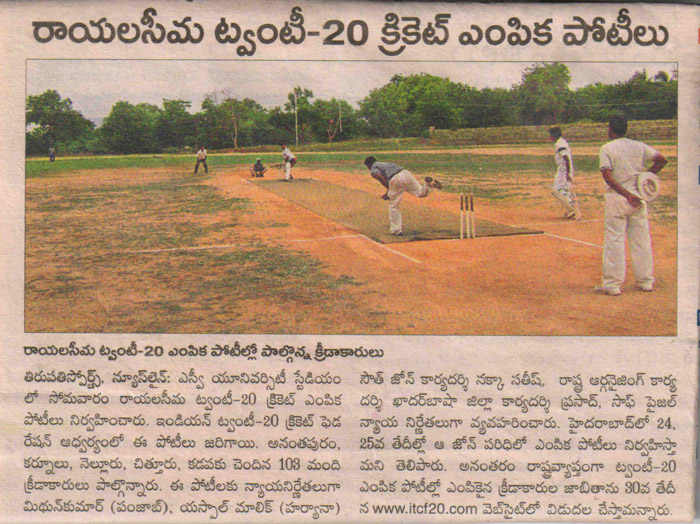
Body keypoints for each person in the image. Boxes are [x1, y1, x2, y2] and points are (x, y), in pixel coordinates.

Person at [595, 115, 667, 295]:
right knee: (641, 241)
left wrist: (627, 194)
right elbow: (661, 159)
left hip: (618, 198)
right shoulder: (639, 146)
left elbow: (608, 177)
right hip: (638, 198)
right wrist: (644, 178)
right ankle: (646, 281)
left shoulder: (607, 148)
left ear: (610, 129)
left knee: (614, 241)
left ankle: (612, 285)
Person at [364, 156, 442, 236]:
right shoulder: (386, 164)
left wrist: (388, 191)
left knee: (393, 206)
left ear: (368, 165)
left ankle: (396, 230)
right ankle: (428, 184)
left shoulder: (373, 168)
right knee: (420, 193)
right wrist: (389, 191)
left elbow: (379, 176)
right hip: (405, 173)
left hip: (395, 179)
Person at [548, 127, 580, 220]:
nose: (550, 137)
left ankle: (571, 209)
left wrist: (568, 173)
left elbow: (566, 159)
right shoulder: (560, 142)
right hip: (563, 169)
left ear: (554, 135)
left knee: (558, 190)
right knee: (563, 189)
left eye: (550, 135)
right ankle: (571, 209)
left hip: (564, 169)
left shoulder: (560, 144)